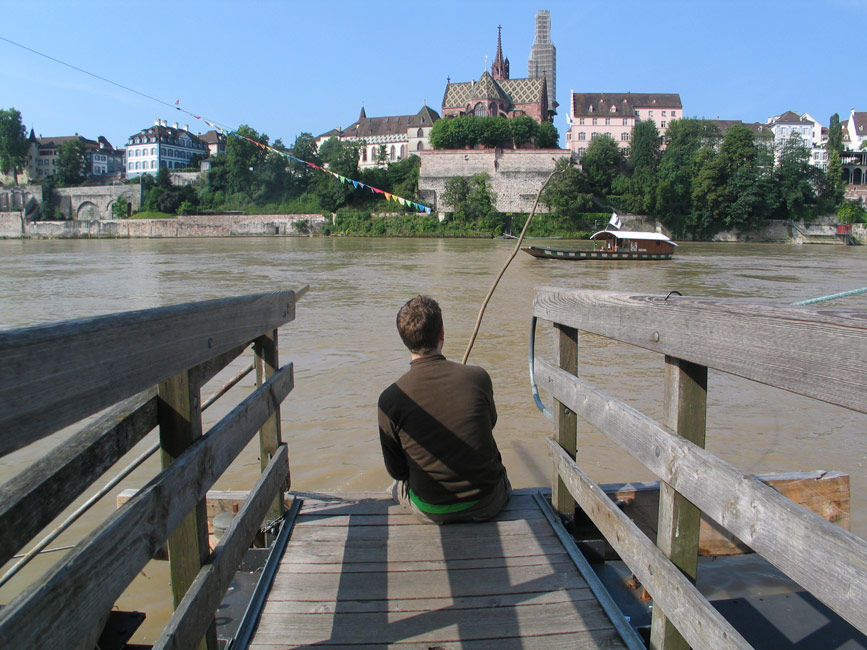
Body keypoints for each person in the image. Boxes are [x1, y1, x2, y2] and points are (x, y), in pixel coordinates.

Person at [377, 295, 511, 524]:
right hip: (488, 502)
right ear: (442, 334)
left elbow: (398, 471)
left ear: (404, 341)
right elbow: (489, 424)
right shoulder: (478, 377)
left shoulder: (389, 400)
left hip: (431, 510)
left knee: (394, 488)